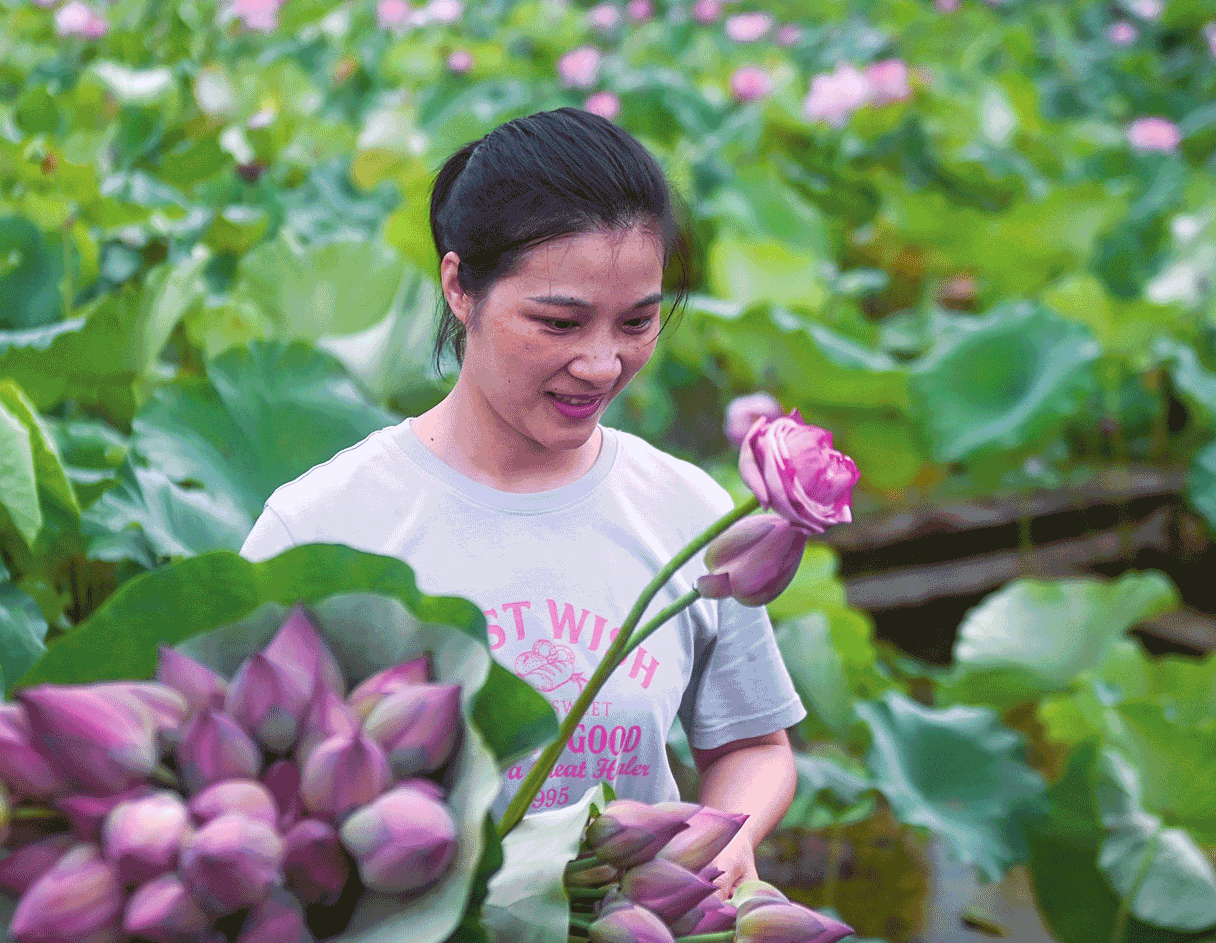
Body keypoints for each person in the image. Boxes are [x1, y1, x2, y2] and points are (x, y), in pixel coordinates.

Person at [238, 107, 802, 894]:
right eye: (559, 322)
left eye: (638, 321)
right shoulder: (323, 524)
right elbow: (239, 791)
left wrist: (729, 839)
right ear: (459, 285)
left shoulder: (686, 511)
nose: (603, 364)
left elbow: (753, 744)